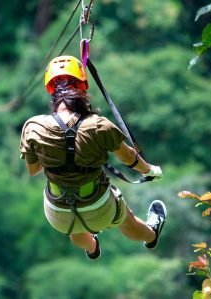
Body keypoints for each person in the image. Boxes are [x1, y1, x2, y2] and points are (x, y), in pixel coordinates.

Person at [19, 55, 167, 260]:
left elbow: (33, 170)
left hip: (58, 215)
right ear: (83, 88)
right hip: (98, 207)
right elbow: (129, 157)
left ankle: (92, 247)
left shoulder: (34, 127)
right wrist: (150, 171)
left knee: (75, 228)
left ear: (51, 91)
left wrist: (55, 152)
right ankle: (151, 235)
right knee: (126, 219)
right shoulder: (99, 125)